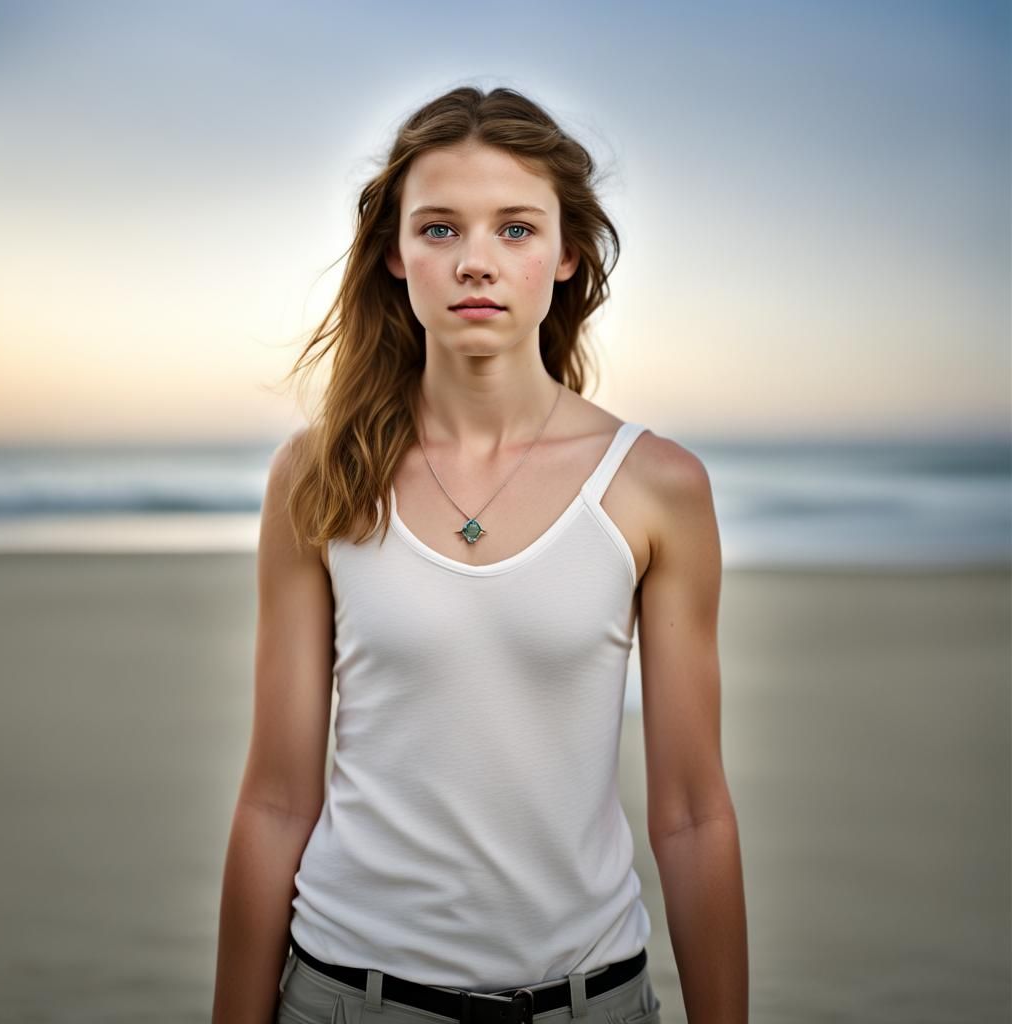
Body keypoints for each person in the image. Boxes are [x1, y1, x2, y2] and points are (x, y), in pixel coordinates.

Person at [212, 84, 748, 1024]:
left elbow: (694, 814)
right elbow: (275, 801)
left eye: (515, 229)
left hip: (590, 1002)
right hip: (347, 998)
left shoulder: (655, 486)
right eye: (439, 229)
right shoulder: (320, 475)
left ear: (566, 253)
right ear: (394, 253)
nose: (475, 262)